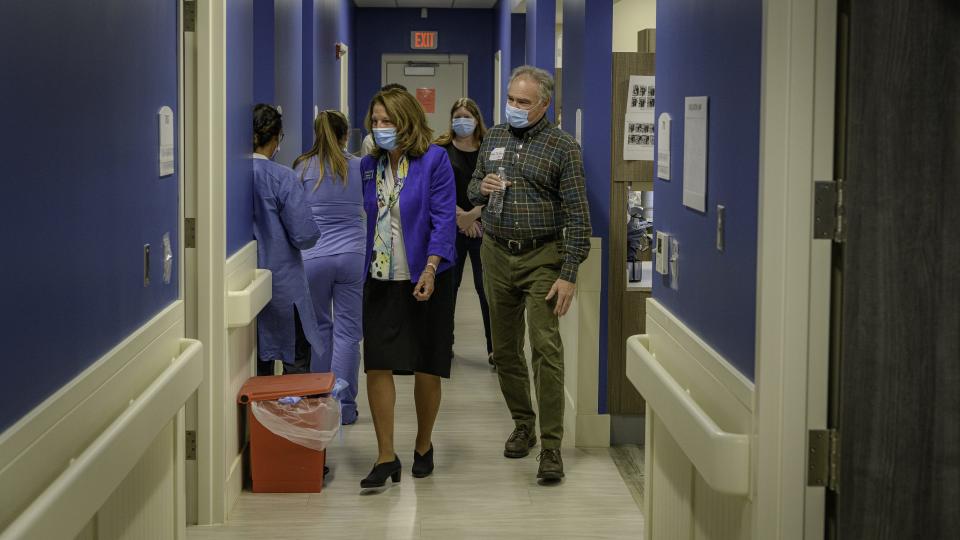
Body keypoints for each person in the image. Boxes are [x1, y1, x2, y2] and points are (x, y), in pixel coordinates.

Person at [467, 66, 592, 482]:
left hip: (543, 257)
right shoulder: (496, 137)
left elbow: (578, 216)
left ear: (544, 105)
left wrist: (569, 272)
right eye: (511, 99)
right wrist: (479, 187)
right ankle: (524, 424)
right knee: (504, 350)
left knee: (545, 348)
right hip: (496, 253)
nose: (514, 108)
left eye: (524, 102)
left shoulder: (563, 147)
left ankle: (552, 446)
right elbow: (471, 187)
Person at [359, 88, 457, 490]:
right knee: (378, 363)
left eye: (388, 121)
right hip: (381, 277)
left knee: (425, 363)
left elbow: (443, 219)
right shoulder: (369, 165)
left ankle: (422, 445)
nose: (381, 129)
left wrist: (431, 268)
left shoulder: (434, 160)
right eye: (376, 122)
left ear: (407, 121)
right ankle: (385, 456)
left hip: (425, 275)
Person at [293, 110, 365, 425]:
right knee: (349, 333)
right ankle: (345, 407)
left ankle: (320, 403)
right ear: (346, 135)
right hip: (353, 256)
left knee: (320, 332)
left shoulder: (302, 167)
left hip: (313, 259)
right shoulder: (361, 167)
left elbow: (294, 214)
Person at [251, 104, 324, 376]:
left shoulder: (228, 177)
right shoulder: (282, 177)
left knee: (258, 369)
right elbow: (304, 236)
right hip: (283, 286)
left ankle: (261, 420)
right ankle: (293, 418)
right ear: (276, 138)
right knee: (295, 366)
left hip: (246, 286)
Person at [434, 98, 494, 366]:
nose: (462, 121)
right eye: (457, 116)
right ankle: (444, 343)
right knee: (449, 288)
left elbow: (498, 187)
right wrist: (461, 217)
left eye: (467, 116)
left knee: (486, 289)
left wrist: (472, 216)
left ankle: (495, 349)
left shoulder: (489, 150)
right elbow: (434, 190)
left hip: (484, 227)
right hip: (450, 227)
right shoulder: (441, 150)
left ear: (477, 119)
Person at [360, 83, 407, 156]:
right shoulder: (370, 142)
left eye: (386, 121)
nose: (378, 128)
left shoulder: (429, 158)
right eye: (375, 121)